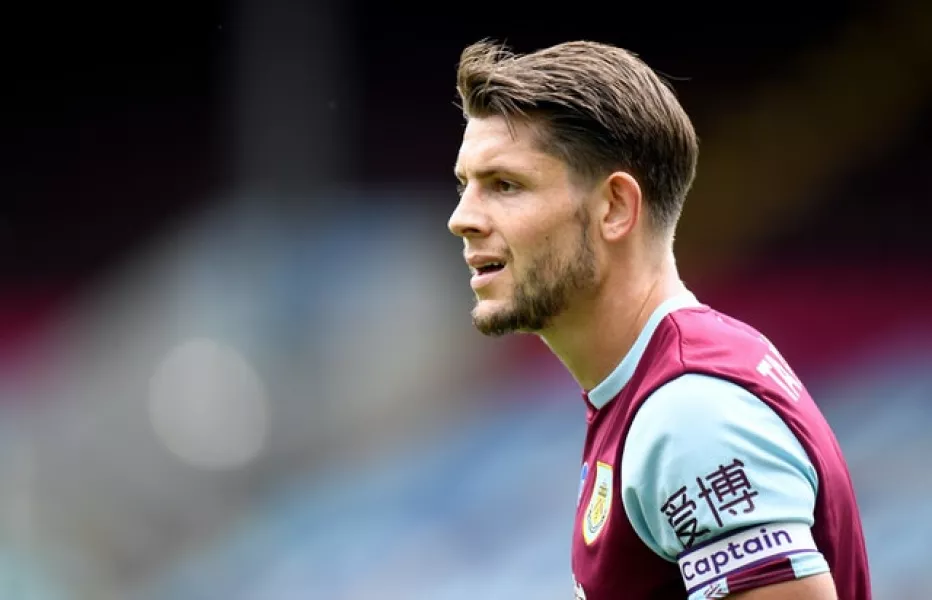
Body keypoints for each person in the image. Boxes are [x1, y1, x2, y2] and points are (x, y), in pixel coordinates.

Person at [448, 40, 871, 600]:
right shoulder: (657, 385)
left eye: (505, 185)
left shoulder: (690, 414)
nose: (462, 219)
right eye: (464, 185)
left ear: (615, 207)